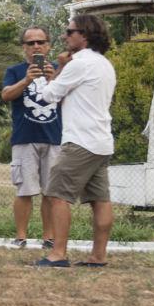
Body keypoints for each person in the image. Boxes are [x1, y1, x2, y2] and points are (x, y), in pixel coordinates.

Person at [33, 16, 118, 268]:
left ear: (85, 35)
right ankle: (98, 256)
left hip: (80, 141)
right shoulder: (105, 64)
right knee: (100, 200)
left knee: (57, 195)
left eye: (69, 32)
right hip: (102, 142)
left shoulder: (79, 64)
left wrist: (45, 74)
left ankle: (57, 254)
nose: (65, 36)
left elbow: (49, 95)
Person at [0, 27, 64, 248]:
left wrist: (52, 78)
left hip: (54, 137)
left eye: (41, 42)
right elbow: (6, 95)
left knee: (51, 192)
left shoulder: (59, 70)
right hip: (25, 138)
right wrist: (27, 80)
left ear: (49, 45)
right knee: (25, 190)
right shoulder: (15, 71)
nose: (36, 46)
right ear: (24, 48)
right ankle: (21, 237)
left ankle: (49, 238)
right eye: (30, 43)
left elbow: (69, 98)